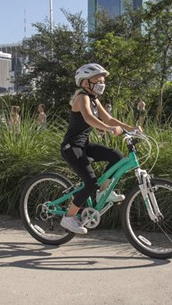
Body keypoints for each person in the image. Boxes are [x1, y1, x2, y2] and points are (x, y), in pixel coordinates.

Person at [59, 63, 140, 235]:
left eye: (103, 81)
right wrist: (110, 130)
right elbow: (88, 118)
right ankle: (69, 217)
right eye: (97, 80)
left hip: (84, 146)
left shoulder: (94, 99)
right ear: (85, 83)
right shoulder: (82, 97)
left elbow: (109, 119)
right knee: (90, 183)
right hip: (71, 147)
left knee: (116, 156)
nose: (101, 84)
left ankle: (103, 193)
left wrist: (131, 128)